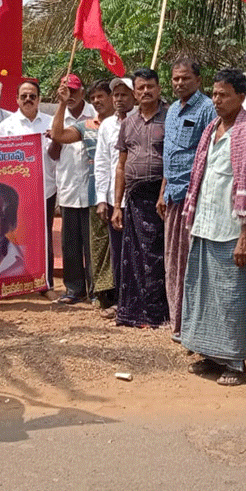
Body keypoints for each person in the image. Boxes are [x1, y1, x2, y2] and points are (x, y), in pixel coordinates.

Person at [180, 69, 246, 386]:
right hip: (205, 223)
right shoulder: (211, 130)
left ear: (241, 97)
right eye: (214, 94)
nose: (216, 100)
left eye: (223, 94)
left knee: (231, 296)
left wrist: (245, 236)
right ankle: (210, 355)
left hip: (231, 229)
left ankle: (234, 361)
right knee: (204, 293)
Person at [159, 59, 214, 341]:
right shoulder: (171, 112)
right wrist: (163, 192)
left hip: (194, 197)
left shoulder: (207, 109)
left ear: (198, 79)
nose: (179, 83)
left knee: (191, 263)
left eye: (185, 78)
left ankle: (194, 325)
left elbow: (208, 155)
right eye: (175, 79)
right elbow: (170, 156)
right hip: (172, 196)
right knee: (173, 262)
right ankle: (177, 323)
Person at [50, 78, 116, 307]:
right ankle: (77, 290)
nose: (97, 101)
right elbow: (57, 135)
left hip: (115, 192)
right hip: (85, 192)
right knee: (75, 244)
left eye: (101, 96)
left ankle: (101, 290)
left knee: (99, 245)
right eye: (94, 97)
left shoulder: (122, 123)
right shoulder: (88, 124)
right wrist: (60, 104)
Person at [112, 69, 169, 328]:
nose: (146, 91)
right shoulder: (128, 123)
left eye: (150, 86)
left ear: (159, 88)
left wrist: (163, 194)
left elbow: (172, 161)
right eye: (141, 88)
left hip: (162, 198)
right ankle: (134, 312)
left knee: (160, 255)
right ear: (135, 93)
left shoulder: (171, 117)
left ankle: (162, 313)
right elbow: (121, 166)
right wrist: (117, 205)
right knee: (134, 257)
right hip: (134, 199)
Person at [0, 80, 61, 289]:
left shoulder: (51, 123)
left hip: (45, 189)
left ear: (39, 99)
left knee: (44, 238)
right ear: (16, 99)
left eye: (32, 96)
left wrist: (56, 138)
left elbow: (55, 155)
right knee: (15, 236)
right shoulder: (6, 126)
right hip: (16, 192)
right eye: (23, 96)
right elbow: (0, 159)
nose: (28, 100)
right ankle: (16, 283)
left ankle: (46, 284)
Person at [51, 74, 96, 305]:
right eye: (66, 91)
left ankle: (95, 289)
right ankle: (74, 289)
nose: (70, 96)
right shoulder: (60, 116)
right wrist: (60, 106)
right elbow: (53, 152)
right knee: (70, 244)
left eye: (74, 91)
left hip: (92, 189)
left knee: (92, 242)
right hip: (69, 186)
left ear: (82, 92)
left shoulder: (95, 115)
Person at [95, 77, 134, 318]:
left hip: (139, 198)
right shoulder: (107, 125)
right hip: (113, 199)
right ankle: (121, 301)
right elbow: (101, 164)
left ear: (134, 96)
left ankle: (138, 302)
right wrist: (102, 198)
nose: (119, 99)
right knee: (118, 252)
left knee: (139, 252)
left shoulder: (142, 121)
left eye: (124, 94)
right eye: (116, 95)